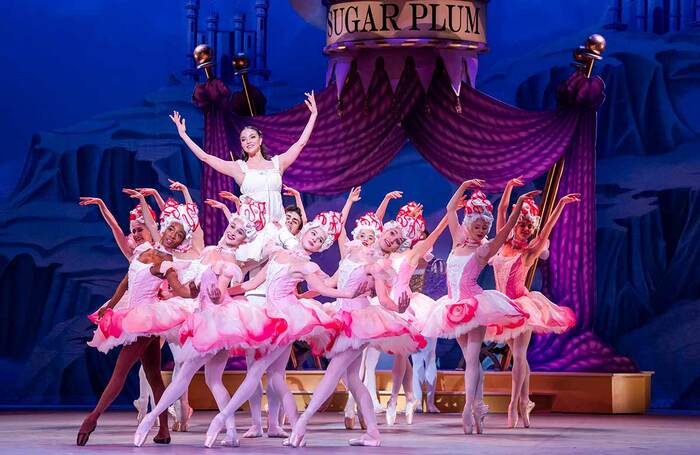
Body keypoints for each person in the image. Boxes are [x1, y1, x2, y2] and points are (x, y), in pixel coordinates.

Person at [422, 181, 535, 435]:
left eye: (485, 226)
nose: (482, 229)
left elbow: (505, 232)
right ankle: (477, 408)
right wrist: (463, 186)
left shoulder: (484, 249)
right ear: (468, 222)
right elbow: (451, 209)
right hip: (453, 306)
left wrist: (517, 207)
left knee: (472, 361)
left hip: (475, 306)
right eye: (478, 225)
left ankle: (468, 411)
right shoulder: (457, 241)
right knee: (474, 365)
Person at [486, 177, 579, 428]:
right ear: (516, 225)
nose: (526, 228)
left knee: (518, 354)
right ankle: (525, 400)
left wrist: (559, 205)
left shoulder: (528, 252)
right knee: (520, 358)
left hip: (522, 305)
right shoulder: (501, 243)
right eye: (523, 224)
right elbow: (502, 210)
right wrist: (509, 188)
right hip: (501, 305)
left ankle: (514, 404)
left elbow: (548, 228)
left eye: (529, 226)